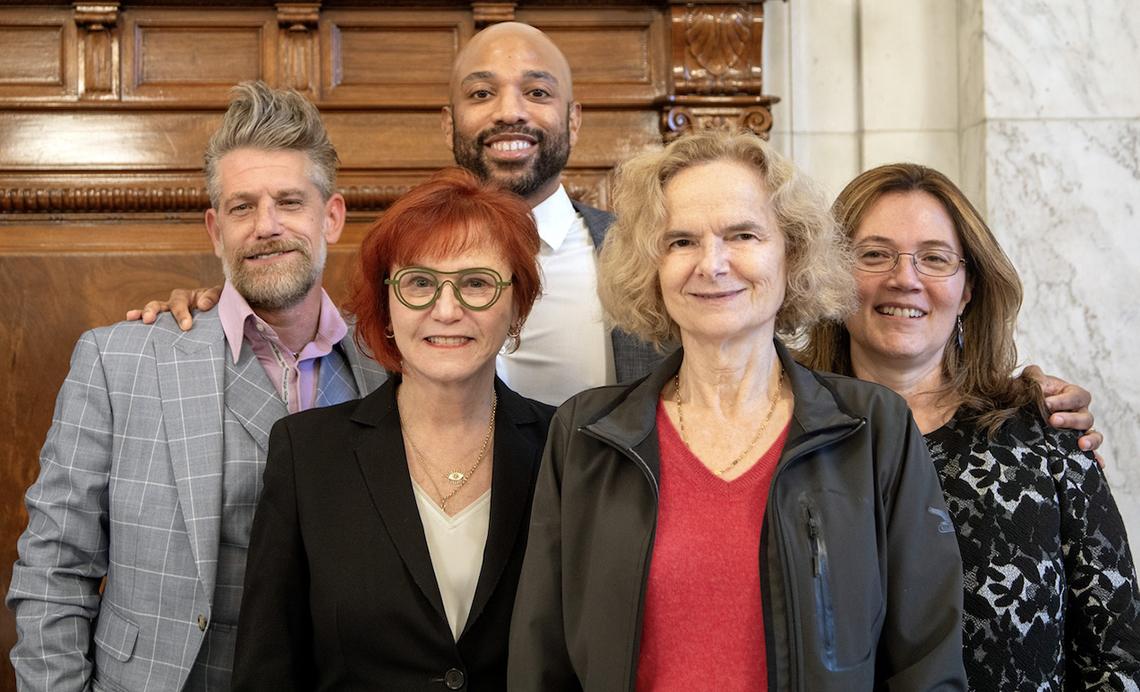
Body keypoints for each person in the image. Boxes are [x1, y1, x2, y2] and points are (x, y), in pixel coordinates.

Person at [508, 130, 968, 690]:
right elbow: (541, 663)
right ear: (649, 264)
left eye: (743, 234)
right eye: (680, 241)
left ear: (791, 252)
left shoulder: (875, 429)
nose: (713, 263)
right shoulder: (583, 436)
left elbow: (926, 664)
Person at [6, 81, 387, 691]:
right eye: (242, 207)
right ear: (215, 229)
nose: (267, 226)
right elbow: (54, 568)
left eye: (289, 202)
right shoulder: (119, 361)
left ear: (331, 216)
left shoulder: (389, 371)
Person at [130, 21, 662, 406]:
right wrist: (204, 311)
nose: (509, 111)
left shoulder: (648, 262)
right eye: (481, 92)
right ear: (448, 122)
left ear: (573, 119)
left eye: (537, 91)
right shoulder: (386, 264)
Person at [799, 162, 1140, 689]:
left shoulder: (1045, 432)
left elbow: (1115, 649)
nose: (904, 278)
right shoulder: (785, 436)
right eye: (874, 254)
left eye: (934, 258)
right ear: (832, 277)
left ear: (968, 291)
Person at [231, 168, 553, 690]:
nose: (446, 311)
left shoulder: (565, 450)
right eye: (420, 283)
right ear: (386, 307)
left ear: (516, 305)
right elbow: (267, 668)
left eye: (476, 283)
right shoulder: (308, 454)